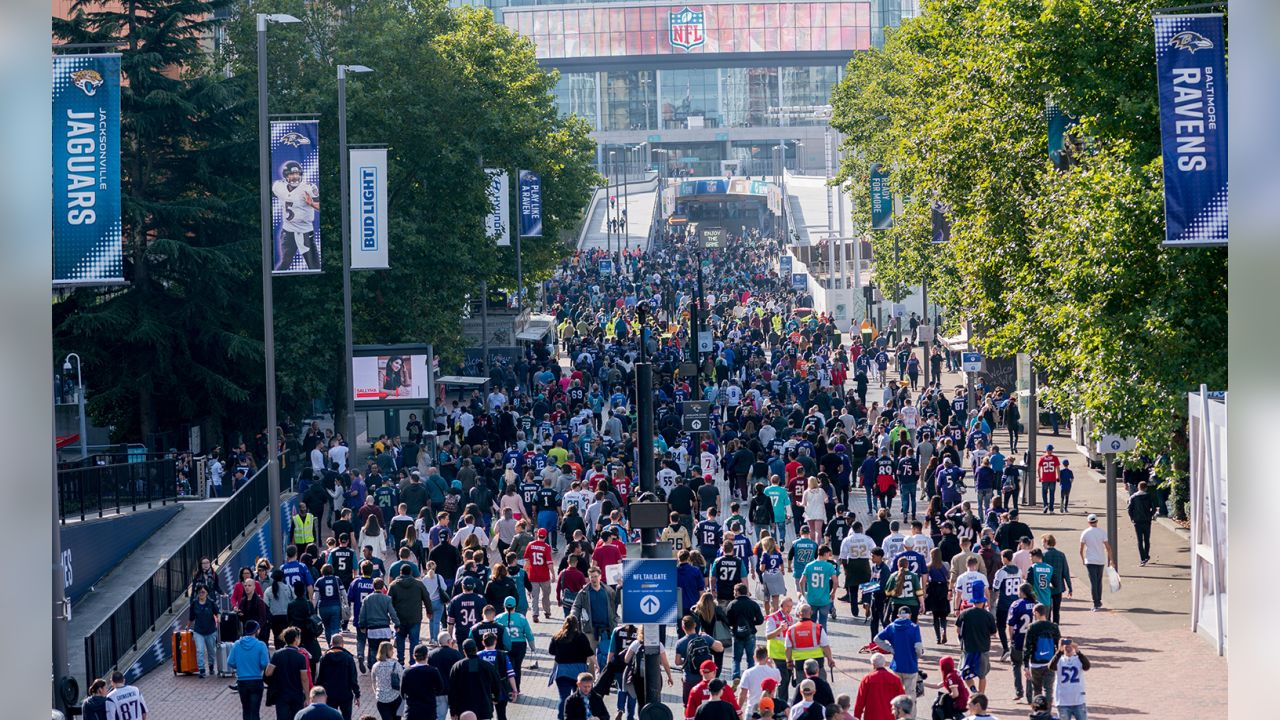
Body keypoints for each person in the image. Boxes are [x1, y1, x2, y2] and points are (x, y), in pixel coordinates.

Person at [873, 607, 923, 706]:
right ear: (910, 615)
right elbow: (918, 647)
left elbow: (877, 639)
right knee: (910, 695)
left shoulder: (891, 627)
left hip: (896, 666)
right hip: (911, 666)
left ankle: (895, 714)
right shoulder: (914, 627)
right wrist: (916, 656)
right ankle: (909, 716)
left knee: (895, 693)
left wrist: (890, 649)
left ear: (898, 615)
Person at [550, 616, 599, 718]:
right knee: (579, 698)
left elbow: (551, 651)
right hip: (578, 672)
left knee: (563, 697)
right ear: (577, 624)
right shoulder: (581, 637)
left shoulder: (557, 637)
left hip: (562, 672)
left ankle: (561, 717)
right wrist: (597, 665)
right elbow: (589, 653)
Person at [954, 584, 997, 695]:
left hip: (968, 649)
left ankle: (974, 691)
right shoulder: (988, 616)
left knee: (965, 673)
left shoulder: (965, 614)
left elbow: (958, 630)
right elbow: (993, 632)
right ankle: (981, 695)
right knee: (982, 675)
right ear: (983, 601)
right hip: (983, 649)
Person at [448, 639, 503, 720]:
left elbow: (452, 690)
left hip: (464, 711)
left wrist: (453, 711)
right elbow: (497, 684)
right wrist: (496, 698)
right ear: (476, 649)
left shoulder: (457, 667)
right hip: (484, 708)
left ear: (464, 651)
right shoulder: (487, 666)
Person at [227, 620, 271, 720]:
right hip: (256, 680)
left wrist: (239, 666)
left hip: (242, 681)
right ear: (256, 631)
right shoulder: (261, 645)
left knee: (246, 710)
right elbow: (265, 664)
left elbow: (230, 662)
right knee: (255, 711)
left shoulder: (237, 644)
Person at [389, 564, 432, 665]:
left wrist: (390, 616)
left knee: (400, 640)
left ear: (400, 572)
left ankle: (400, 661)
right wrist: (429, 611)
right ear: (411, 572)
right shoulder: (419, 584)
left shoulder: (394, 585)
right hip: (415, 617)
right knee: (414, 641)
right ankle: (413, 661)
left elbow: (389, 602)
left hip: (399, 618)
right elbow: (426, 598)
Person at [675, 614, 723, 704]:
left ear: (683, 627)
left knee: (688, 704)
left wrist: (687, 660)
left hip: (689, 679)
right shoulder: (704, 638)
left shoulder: (679, 643)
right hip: (705, 677)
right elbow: (720, 648)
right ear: (695, 625)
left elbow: (677, 662)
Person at [264, 627, 310, 720]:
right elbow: (304, 679)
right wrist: (308, 697)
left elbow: (268, 673)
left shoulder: (277, 654)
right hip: (296, 694)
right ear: (296, 639)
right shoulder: (300, 657)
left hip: (281, 694)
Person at [314, 634, 361, 720]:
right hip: (345, 694)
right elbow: (353, 678)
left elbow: (320, 677)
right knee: (346, 717)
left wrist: (316, 693)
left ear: (331, 643)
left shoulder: (324, 658)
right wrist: (357, 694)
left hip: (329, 694)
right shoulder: (348, 657)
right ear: (342, 643)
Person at [1023, 604, 1060, 708]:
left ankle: (1038, 712)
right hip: (1050, 662)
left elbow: (1027, 648)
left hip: (1035, 664)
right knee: (1048, 689)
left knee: (1037, 690)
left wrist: (1025, 666)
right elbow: (1058, 645)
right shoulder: (1054, 627)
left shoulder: (1032, 627)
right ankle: (1047, 712)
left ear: (1037, 613)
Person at [853, 654, 905, 720]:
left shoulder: (867, 679)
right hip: (890, 716)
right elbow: (902, 700)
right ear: (884, 663)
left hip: (872, 716)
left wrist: (857, 717)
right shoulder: (895, 679)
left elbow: (860, 702)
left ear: (873, 665)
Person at [1078, 514, 1113, 611]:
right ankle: (1099, 600)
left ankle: (1096, 602)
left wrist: (1083, 559)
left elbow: (1081, 549)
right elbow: (1108, 547)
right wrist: (1111, 560)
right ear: (1097, 521)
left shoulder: (1085, 533)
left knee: (1093, 582)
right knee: (1099, 581)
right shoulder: (1102, 532)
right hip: (1100, 560)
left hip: (1090, 560)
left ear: (1088, 522)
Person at [1050, 639, 1091, 720]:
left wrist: (1078, 651)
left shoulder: (1078, 659)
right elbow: (1051, 667)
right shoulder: (1059, 660)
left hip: (1078, 701)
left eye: (1070, 645)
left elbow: (1087, 666)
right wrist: (1059, 651)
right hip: (1062, 701)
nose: (1068, 647)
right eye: (1065, 645)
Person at [426, 634, 463, 720]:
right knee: (456, 716)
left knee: (439, 716)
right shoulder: (456, 654)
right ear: (449, 641)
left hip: (439, 691)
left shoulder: (431, 655)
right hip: (454, 691)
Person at [186, 585, 221, 677]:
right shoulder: (194, 603)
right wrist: (187, 626)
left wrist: (218, 618)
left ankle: (211, 667)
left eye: (203, 592)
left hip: (210, 630)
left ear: (207, 593)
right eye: (200, 592)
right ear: (197, 593)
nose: (201, 593)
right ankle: (202, 670)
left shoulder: (211, 603)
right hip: (198, 631)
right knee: (200, 650)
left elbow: (217, 612)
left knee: (211, 651)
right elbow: (191, 617)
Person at [369, 641, 405, 720]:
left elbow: (373, 682)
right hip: (396, 697)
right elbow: (402, 680)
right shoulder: (396, 664)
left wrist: (377, 693)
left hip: (381, 699)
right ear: (389, 651)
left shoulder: (375, 666)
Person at [1126, 480, 1158, 566]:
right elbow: (1154, 507)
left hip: (1137, 521)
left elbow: (1129, 509)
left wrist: (1132, 517)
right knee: (1147, 539)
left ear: (1138, 487)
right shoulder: (1149, 496)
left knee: (1139, 540)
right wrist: (1150, 515)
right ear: (1146, 488)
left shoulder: (1133, 497)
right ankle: (1146, 555)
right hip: (1147, 520)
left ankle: (1142, 558)